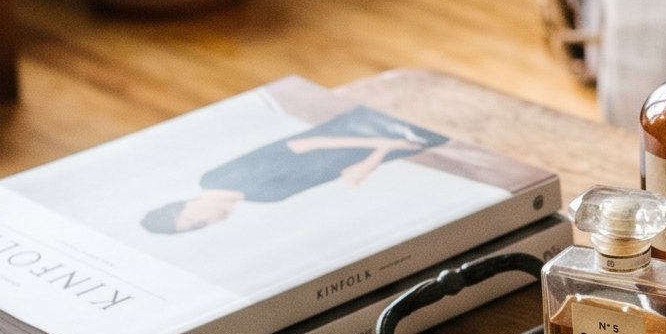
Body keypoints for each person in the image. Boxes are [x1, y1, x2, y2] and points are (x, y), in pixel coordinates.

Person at [141, 104, 446, 236]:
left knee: (426, 129)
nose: (209, 221)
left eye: (194, 219)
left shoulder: (214, 179)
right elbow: (331, 173)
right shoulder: (264, 199)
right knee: (434, 137)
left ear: (185, 204)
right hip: (372, 147)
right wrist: (382, 151)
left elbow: (305, 144)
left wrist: (381, 139)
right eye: (200, 227)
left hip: (357, 129)